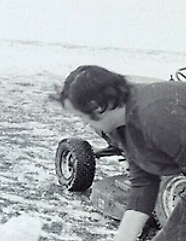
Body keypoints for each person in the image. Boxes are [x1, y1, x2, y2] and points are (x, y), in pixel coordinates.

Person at [52, 65, 186, 241]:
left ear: (97, 107)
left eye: (81, 116)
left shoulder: (155, 116)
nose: (84, 123)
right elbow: (144, 182)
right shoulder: (122, 127)